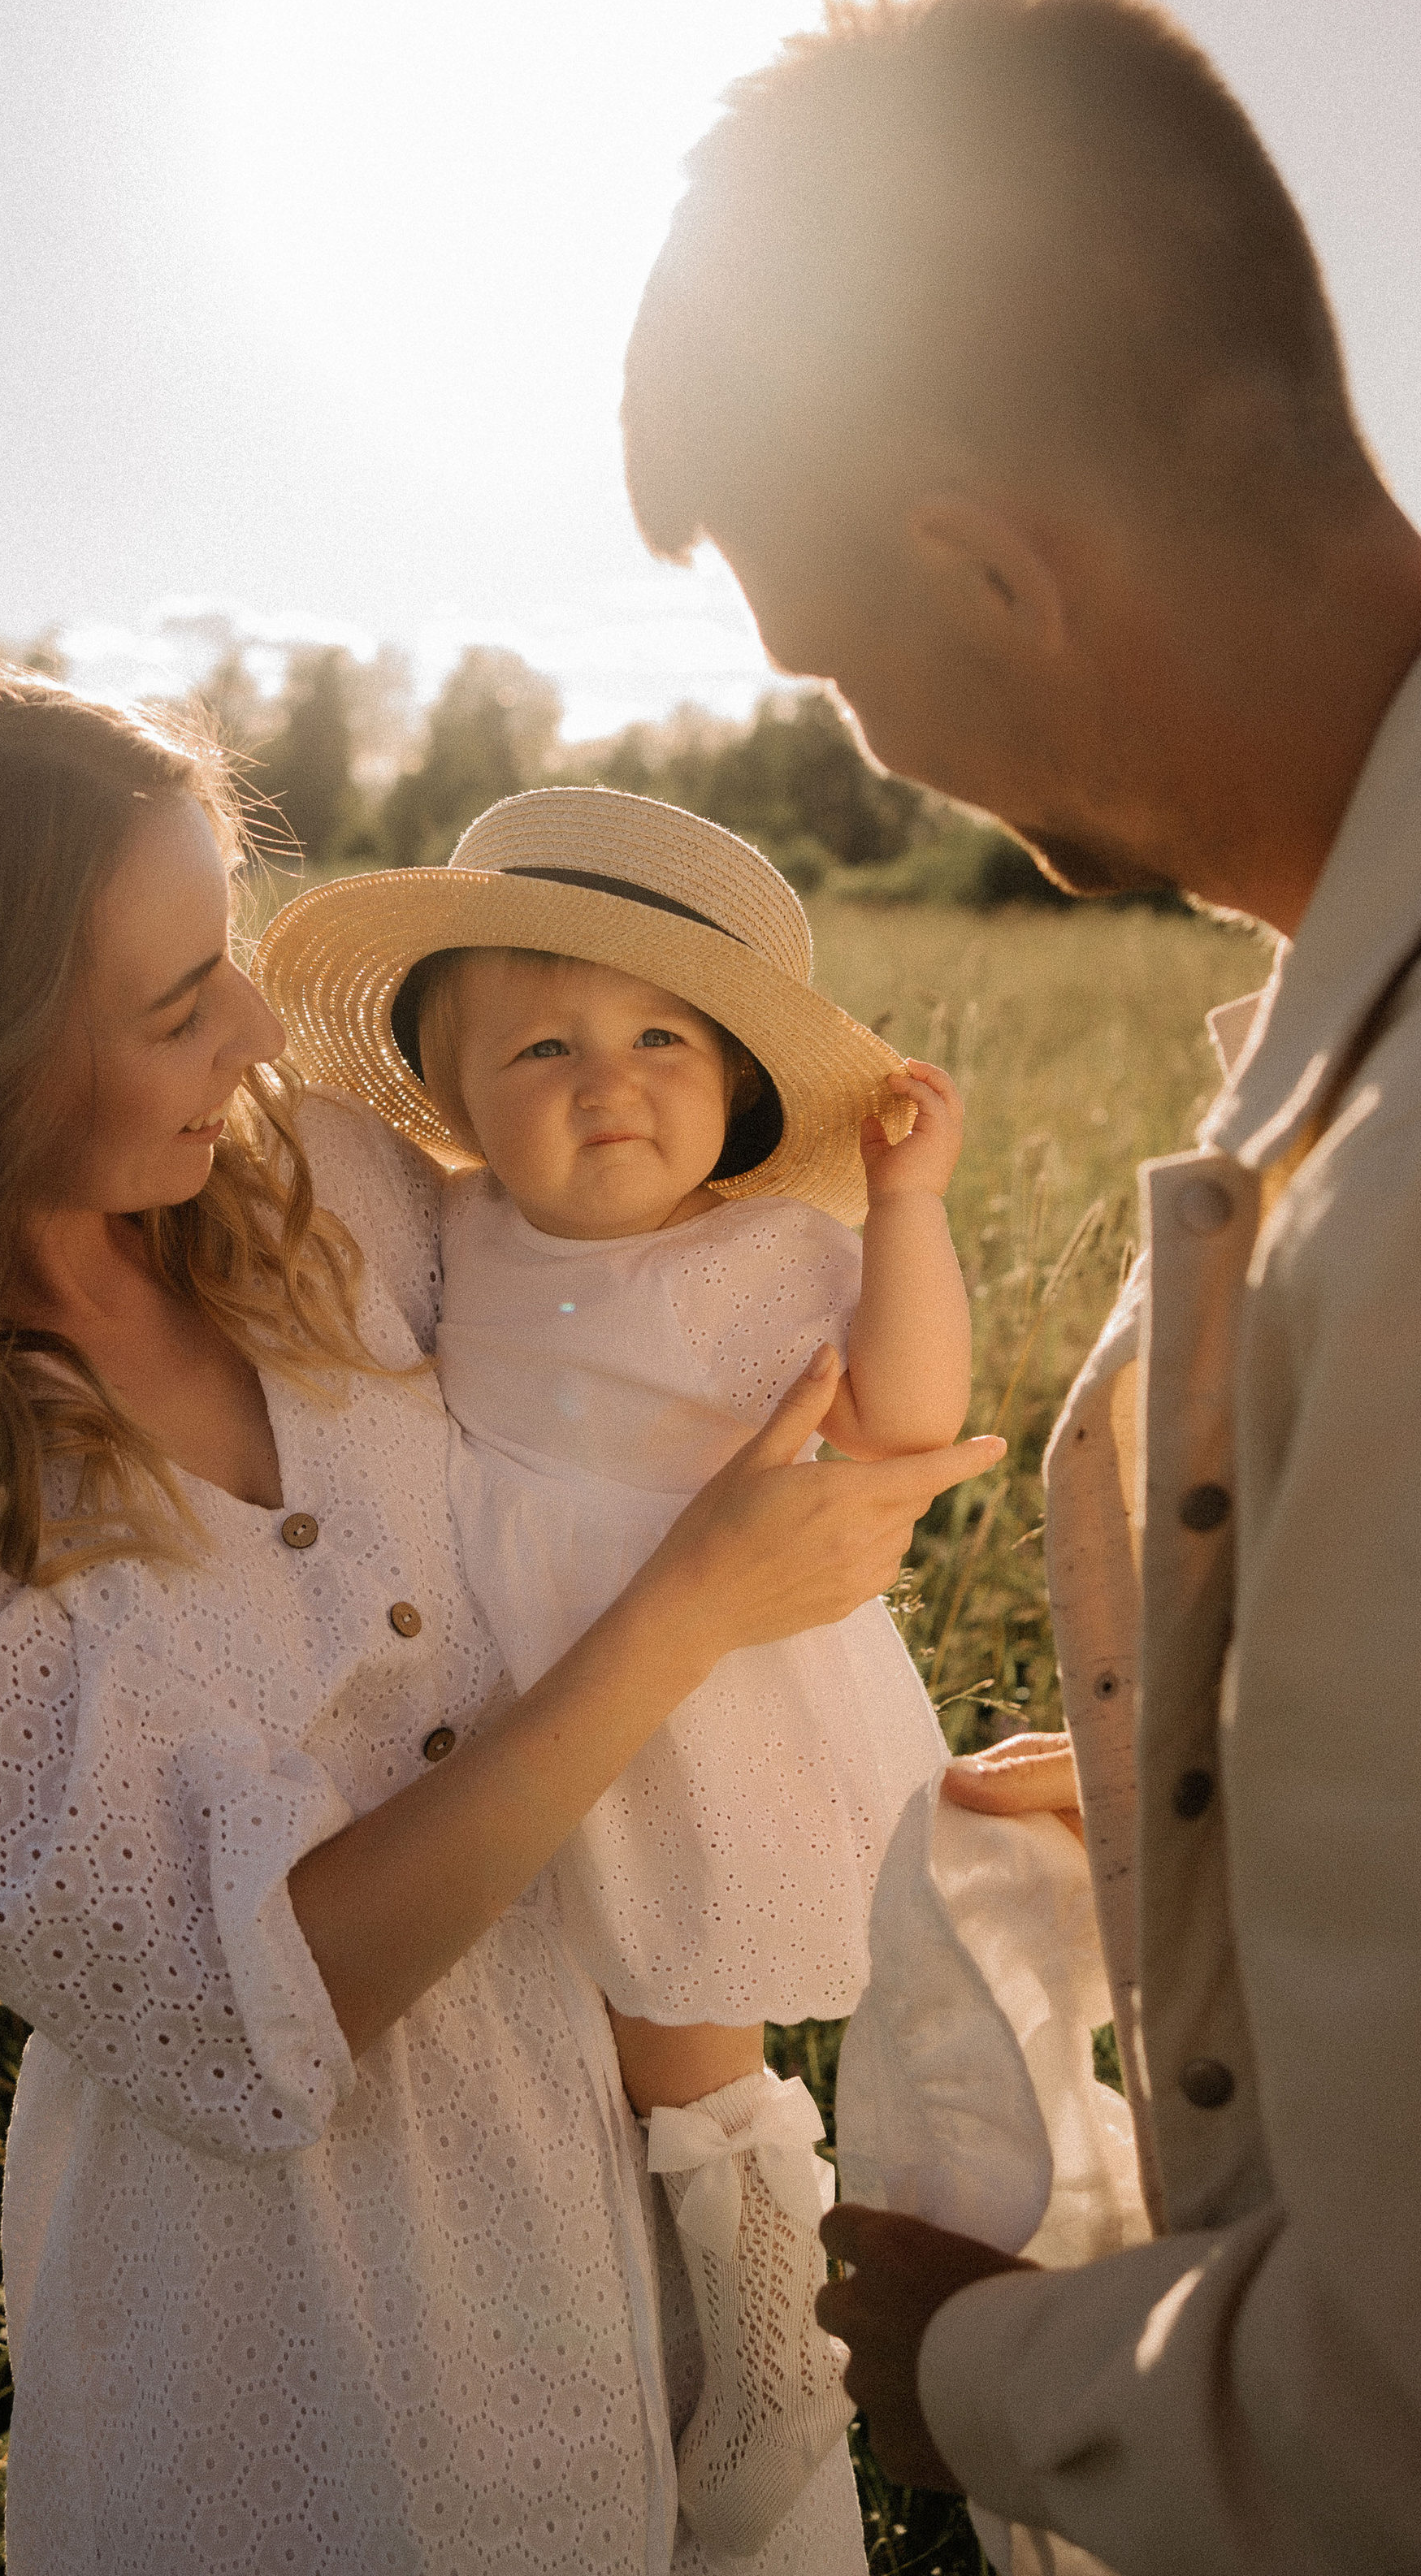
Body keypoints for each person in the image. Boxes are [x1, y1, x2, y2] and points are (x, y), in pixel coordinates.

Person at [0, 672, 1004, 2576]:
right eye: (181, 1001)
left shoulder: (323, 1185)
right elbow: (228, 2005)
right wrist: (691, 1611)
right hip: (303, 2331)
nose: (263, 1034)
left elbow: (635, 1390)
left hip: (668, 2181)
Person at [620, 0, 1421, 2571]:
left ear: (987, 567)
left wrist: (974, 2372)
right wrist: (1258, 1771)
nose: (876, 747)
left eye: (841, 669)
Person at [257, 781, 1042, 2553]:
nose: (604, 1081)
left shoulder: (768, 1251)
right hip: (512, 1682)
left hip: (705, 1685)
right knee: (553, 2007)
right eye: (539, 1048)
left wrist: (910, 1207)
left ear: (742, 1086)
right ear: (455, 1103)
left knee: (681, 2010)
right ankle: (651, 2310)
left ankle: (767, 2320)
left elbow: (906, 1418)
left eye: (659, 1039)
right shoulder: (453, 1231)